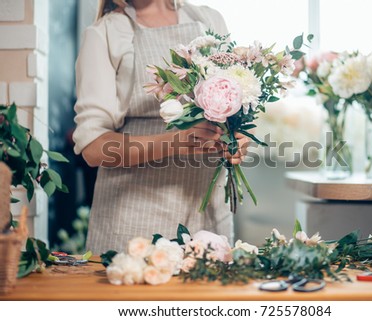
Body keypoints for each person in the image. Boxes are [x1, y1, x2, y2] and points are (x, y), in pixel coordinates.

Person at [73, 0, 247, 254]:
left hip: (209, 222)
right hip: (136, 226)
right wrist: (175, 143)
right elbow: (93, 148)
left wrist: (236, 141)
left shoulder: (208, 21)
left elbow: (230, 113)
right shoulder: (107, 33)